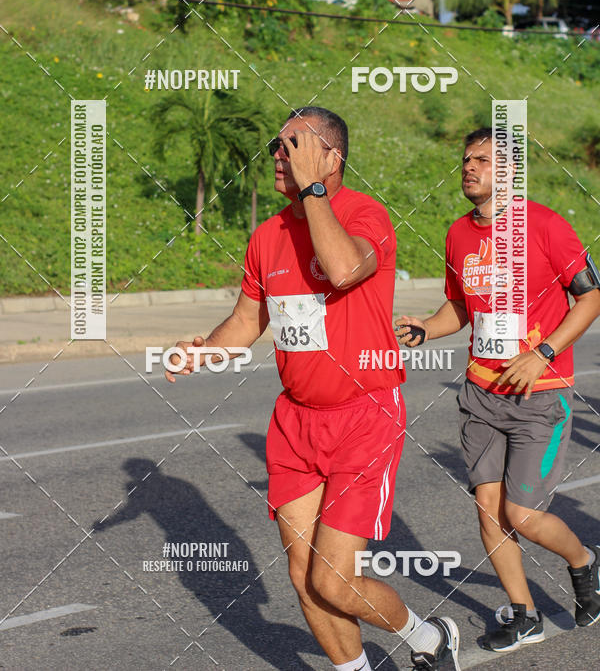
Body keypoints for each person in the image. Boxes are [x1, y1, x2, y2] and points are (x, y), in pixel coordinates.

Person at [166, 106, 461, 671]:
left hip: (364, 416)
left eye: (294, 146)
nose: (280, 156)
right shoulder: (267, 236)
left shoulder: (365, 215)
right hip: (296, 422)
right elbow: (246, 321)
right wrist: (202, 351)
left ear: (332, 157)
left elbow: (345, 268)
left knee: (332, 578)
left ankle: (427, 635)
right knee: (304, 577)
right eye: (276, 147)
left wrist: (314, 191)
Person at [396, 126, 600, 654]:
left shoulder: (546, 226)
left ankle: (584, 561)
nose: (469, 166)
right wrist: (426, 328)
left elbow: (591, 298)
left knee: (522, 515)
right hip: (481, 396)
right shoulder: (458, 234)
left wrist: (543, 352)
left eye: (484, 160)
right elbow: (459, 306)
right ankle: (524, 613)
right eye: (467, 158)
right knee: (489, 510)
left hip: (541, 396)